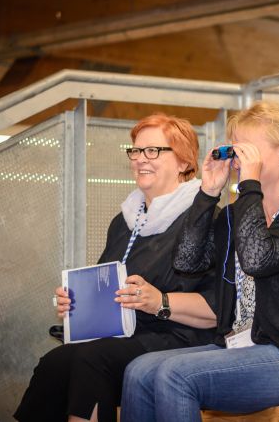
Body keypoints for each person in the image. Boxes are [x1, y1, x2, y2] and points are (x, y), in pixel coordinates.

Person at [121, 100, 279, 422]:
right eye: (236, 148)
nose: (239, 159)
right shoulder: (236, 213)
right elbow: (186, 261)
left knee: (175, 375)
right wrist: (208, 193)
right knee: (139, 372)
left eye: (249, 149)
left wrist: (248, 187)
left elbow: (258, 258)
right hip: (239, 346)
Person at [14, 113, 217, 422]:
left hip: (180, 335)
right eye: (135, 150)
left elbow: (218, 309)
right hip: (124, 336)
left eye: (153, 151)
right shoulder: (125, 221)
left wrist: (158, 301)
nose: (139, 159)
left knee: (91, 359)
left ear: (184, 162)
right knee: (53, 363)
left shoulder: (205, 219)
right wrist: (76, 305)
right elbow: (108, 289)